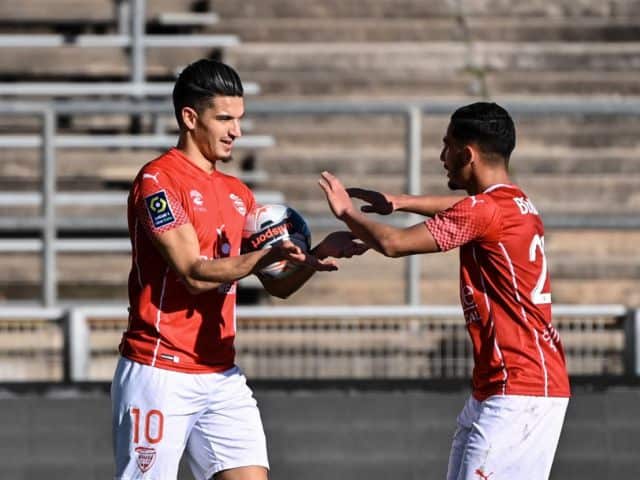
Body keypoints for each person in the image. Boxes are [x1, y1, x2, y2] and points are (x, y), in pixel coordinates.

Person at [111, 58, 366, 480]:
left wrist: (314, 256)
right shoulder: (157, 181)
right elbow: (192, 273)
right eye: (224, 118)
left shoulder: (238, 194)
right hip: (160, 370)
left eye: (240, 119)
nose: (237, 131)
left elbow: (277, 286)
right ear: (190, 118)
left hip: (221, 373)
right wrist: (261, 258)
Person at [318, 102, 570, 480]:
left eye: (446, 146)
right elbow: (465, 207)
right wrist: (401, 202)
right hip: (506, 384)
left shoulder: (485, 211)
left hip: (520, 389)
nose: (441, 157)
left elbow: (395, 244)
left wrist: (346, 214)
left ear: (467, 154)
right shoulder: (516, 202)